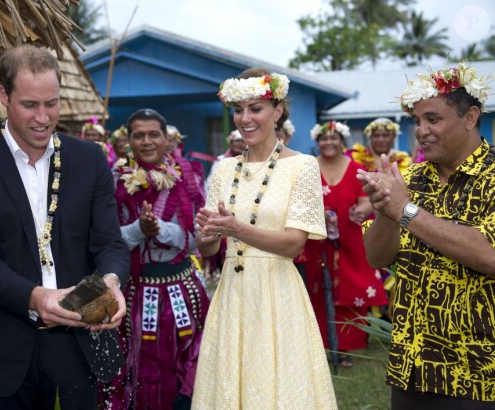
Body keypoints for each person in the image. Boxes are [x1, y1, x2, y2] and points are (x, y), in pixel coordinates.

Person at [0, 44, 130, 410]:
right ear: (3, 96)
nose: (43, 117)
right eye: (30, 105)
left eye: (52, 103)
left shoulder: (89, 159)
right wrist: (35, 297)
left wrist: (111, 282)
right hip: (3, 349)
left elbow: (110, 242)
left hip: (79, 343)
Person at [192, 68, 337, 409]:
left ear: (277, 111)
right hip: (233, 292)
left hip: (278, 291)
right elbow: (208, 246)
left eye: (255, 108)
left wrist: (235, 229)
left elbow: (294, 244)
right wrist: (209, 233)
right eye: (238, 110)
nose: (244, 119)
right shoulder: (225, 169)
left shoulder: (302, 166)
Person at [357, 62, 495, 407]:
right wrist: (388, 213)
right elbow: (377, 257)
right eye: (417, 122)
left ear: (470, 117)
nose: (421, 131)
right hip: (410, 368)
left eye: (433, 119)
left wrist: (406, 211)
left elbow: (488, 255)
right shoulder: (411, 179)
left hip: (477, 372)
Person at [105, 109, 210, 409]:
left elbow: (196, 241)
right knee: (135, 372)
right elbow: (108, 240)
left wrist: (160, 229)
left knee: (186, 371)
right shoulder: (114, 179)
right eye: (138, 135)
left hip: (182, 288)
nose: (147, 141)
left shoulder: (189, 175)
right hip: (134, 291)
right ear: (128, 141)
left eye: (154, 134)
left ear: (167, 139)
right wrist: (140, 229)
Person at [303, 120, 387, 368]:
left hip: (349, 240)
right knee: (314, 290)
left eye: (334, 138)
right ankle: (316, 346)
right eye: (323, 139)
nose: (328, 142)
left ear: (342, 142)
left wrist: (360, 211)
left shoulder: (357, 169)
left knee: (350, 291)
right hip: (313, 241)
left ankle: (346, 348)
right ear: (317, 142)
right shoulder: (306, 168)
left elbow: (368, 200)